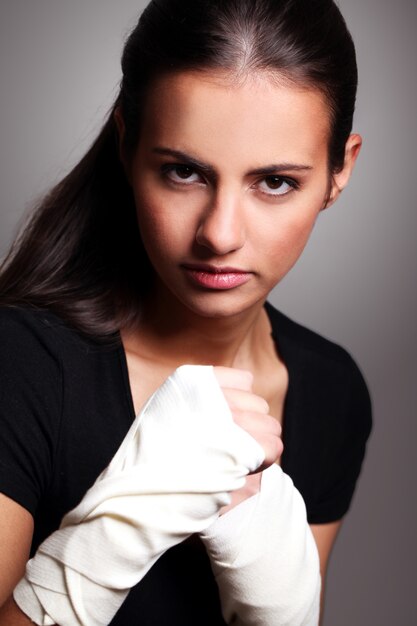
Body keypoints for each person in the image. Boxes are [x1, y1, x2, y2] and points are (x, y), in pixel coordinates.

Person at [0, 0, 372, 624]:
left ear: (339, 172)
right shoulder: (19, 366)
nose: (220, 234)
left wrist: (279, 604)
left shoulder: (331, 391)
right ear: (127, 145)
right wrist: (110, 537)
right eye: (183, 172)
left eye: (275, 181)